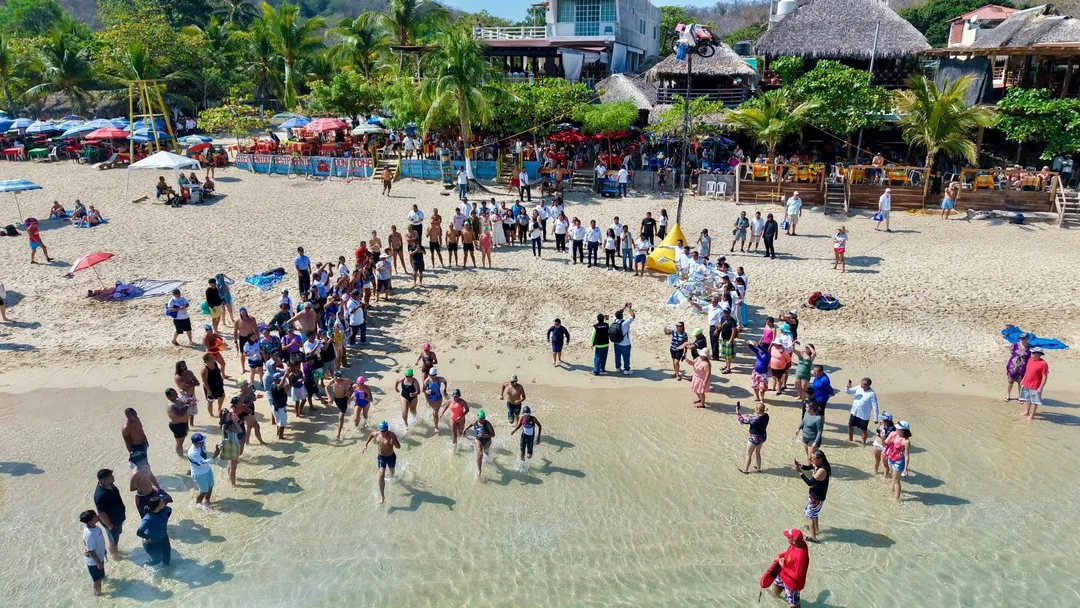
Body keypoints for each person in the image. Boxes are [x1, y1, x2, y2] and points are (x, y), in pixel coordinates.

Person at [794, 449, 830, 542]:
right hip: (816, 496)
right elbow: (810, 467)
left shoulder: (822, 470)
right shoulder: (819, 465)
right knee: (814, 514)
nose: (811, 461)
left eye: (813, 459)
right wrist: (800, 466)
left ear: (820, 459)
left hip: (817, 498)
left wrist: (799, 472)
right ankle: (816, 529)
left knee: (810, 516)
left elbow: (809, 482)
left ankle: (813, 537)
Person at [769, 528, 810, 607]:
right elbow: (790, 552)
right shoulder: (799, 543)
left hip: (792, 584)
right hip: (783, 573)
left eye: (788, 537)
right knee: (777, 585)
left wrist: (783, 566)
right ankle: (776, 600)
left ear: (794, 541)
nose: (787, 538)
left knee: (794, 604)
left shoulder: (801, 557)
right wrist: (781, 555)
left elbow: (797, 576)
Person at [93, 469, 126, 558]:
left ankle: (116, 552)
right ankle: (115, 556)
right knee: (113, 541)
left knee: (117, 536)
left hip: (117, 517)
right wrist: (110, 525)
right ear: (103, 480)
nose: (113, 477)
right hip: (111, 521)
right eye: (110, 476)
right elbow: (101, 513)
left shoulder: (109, 485)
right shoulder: (100, 495)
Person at [136, 495, 172, 569]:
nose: (164, 502)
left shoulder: (165, 510)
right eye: (161, 501)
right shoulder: (148, 519)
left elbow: (169, 511)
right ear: (157, 506)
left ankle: (167, 571)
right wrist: (147, 537)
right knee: (156, 560)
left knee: (167, 557)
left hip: (164, 538)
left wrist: (162, 522)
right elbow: (139, 532)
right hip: (152, 542)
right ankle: (144, 566)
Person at [187, 433, 220, 511]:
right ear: (194, 443)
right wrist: (215, 455)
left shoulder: (201, 444)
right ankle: (198, 504)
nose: (203, 443)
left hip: (207, 470)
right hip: (199, 474)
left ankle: (207, 501)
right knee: (203, 490)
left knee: (211, 486)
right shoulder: (193, 453)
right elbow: (203, 462)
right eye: (200, 442)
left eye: (203, 441)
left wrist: (218, 448)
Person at [735, 401, 768, 474]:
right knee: (758, 452)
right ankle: (759, 469)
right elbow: (759, 416)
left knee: (748, 454)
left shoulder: (755, 420)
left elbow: (743, 421)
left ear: (757, 410)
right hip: (762, 436)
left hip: (754, 438)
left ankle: (745, 470)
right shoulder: (766, 415)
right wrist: (751, 416)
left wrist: (738, 413)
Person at [844, 377, 880, 444]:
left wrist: (875, 418)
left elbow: (875, 407)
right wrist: (847, 387)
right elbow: (848, 392)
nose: (862, 385)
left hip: (864, 415)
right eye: (861, 383)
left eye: (864, 384)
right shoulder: (858, 387)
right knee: (850, 425)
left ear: (868, 385)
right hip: (854, 412)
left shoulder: (872, 394)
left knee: (863, 430)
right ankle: (850, 439)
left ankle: (864, 443)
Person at [79, 510, 107, 595]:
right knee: (96, 579)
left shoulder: (94, 528)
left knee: (101, 576)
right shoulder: (90, 534)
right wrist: (98, 562)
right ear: (90, 521)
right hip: (94, 561)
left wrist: (103, 550)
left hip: (99, 556)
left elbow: (85, 542)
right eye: (95, 515)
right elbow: (90, 550)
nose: (97, 515)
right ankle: (98, 595)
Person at [1018, 347, 1049, 420]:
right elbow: (1027, 371)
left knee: (1035, 401)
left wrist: (1040, 387)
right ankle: (1027, 411)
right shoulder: (1030, 359)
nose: (1031, 354)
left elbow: (1044, 377)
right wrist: (1023, 379)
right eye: (1031, 352)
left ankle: (1032, 416)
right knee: (1027, 399)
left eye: (1033, 353)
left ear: (1038, 354)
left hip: (1035, 386)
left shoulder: (1043, 363)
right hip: (1027, 383)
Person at [884, 421, 912, 502]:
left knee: (896, 480)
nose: (896, 429)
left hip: (899, 461)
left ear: (903, 430)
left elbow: (907, 455)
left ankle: (897, 499)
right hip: (891, 458)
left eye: (898, 429)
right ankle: (892, 491)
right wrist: (886, 454)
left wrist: (905, 469)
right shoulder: (894, 434)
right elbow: (888, 446)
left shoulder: (906, 441)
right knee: (893, 477)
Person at [217, 407, 243, 486]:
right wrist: (235, 421)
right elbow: (239, 430)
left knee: (230, 464)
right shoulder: (226, 426)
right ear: (225, 417)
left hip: (232, 445)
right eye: (229, 415)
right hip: (232, 446)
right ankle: (233, 484)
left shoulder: (227, 424)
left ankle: (230, 478)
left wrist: (234, 420)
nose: (231, 415)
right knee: (233, 468)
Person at [1005, 333, 1032, 402]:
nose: (1022, 340)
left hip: (1022, 368)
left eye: (1024, 338)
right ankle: (1008, 395)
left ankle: (1020, 396)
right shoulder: (1015, 345)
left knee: (1021, 383)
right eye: (1021, 338)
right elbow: (1011, 353)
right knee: (1010, 382)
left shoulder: (1030, 347)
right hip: (1013, 367)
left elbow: (1030, 358)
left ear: (1027, 339)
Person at [470, 410, 495, 478]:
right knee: (479, 454)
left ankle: (488, 460)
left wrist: (485, 435)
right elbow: (471, 424)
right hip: (478, 440)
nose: (481, 420)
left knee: (486, 453)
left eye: (483, 418)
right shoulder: (475, 421)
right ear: (477, 417)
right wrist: (465, 430)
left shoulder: (487, 424)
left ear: (484, 418)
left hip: (487, 441)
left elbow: (493, 434)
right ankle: (479, 470)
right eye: (480, 418)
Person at [611, 304, 635, 375]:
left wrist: (624, 307)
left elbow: (618, 312)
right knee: (626, 357)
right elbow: (633, 316)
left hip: (616, 342)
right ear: (622, 316)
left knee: (617, 356)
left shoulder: (614, 320)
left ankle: (617, 368)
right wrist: (630, 308)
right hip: (625, 343)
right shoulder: (625, 323)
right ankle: (626, 370)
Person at [200, 353, 225, 419]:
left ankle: (219, 408)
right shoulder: (204, 369)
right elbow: (204, 381)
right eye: (211, 358)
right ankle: (211, 415)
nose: (214, 358)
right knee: (210, 401)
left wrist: (221, 380)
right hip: (210, 387)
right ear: (207, 360)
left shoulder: (215, 363)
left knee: (222, 396)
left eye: (213, 356)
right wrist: (208, 390)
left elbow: (218, 372)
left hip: (218, 384)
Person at [871, 412, 896, 477]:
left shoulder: (892, 428)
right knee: (876, 460)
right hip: (876, 443)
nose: (880, 419)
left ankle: (885, 478)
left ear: (886, 420)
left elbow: (885, 440)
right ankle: (874, 473)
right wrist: (881, 427)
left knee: (885, 464)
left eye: (882, 418)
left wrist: (882, 430)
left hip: (885, 447)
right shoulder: (882, 423)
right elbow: (878, 431)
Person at [424, 366, 447, 433]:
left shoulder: (439, 379)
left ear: (436, 375)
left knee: (435, 412)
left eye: (432, 376)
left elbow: (445, 381)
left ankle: (436, 427)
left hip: (438, 398)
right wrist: (426, 391)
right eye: (430, 376)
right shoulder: (427, 380)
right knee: (434, 412)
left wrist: (445, 390)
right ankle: (436, 417)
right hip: (430, 399)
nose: (431, 377)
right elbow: (423, 389)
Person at [718, 310, 739, 374]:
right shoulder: (723, 318)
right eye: (724, 313)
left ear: (729, 313)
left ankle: (728, 369)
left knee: (728, 355)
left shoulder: (732, 321)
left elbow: (733, 331)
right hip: (724, 339)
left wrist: (730, 340)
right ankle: (726, 366)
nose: (724, 314)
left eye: (726, 313)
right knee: (724, 354)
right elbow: (721, 325)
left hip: (728, 340)